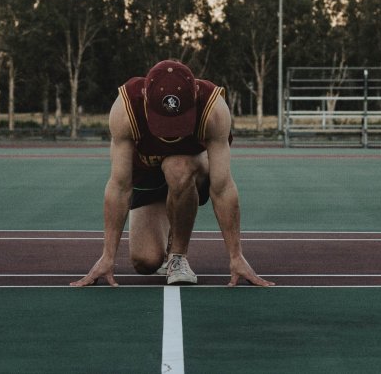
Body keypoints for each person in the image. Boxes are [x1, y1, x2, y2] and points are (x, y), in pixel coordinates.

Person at [70, 60, 274, 287]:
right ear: (146, 97)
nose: (169, 134)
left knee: (177, 167)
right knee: (145, 262)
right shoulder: (125, 109)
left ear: (195, 95)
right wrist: (108, 257)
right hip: (148, 174)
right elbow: (119, 186)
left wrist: (236, 257)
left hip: (192, 167)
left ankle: (178, 257)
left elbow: (223, 188)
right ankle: (170, 217)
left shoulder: (213, 109)